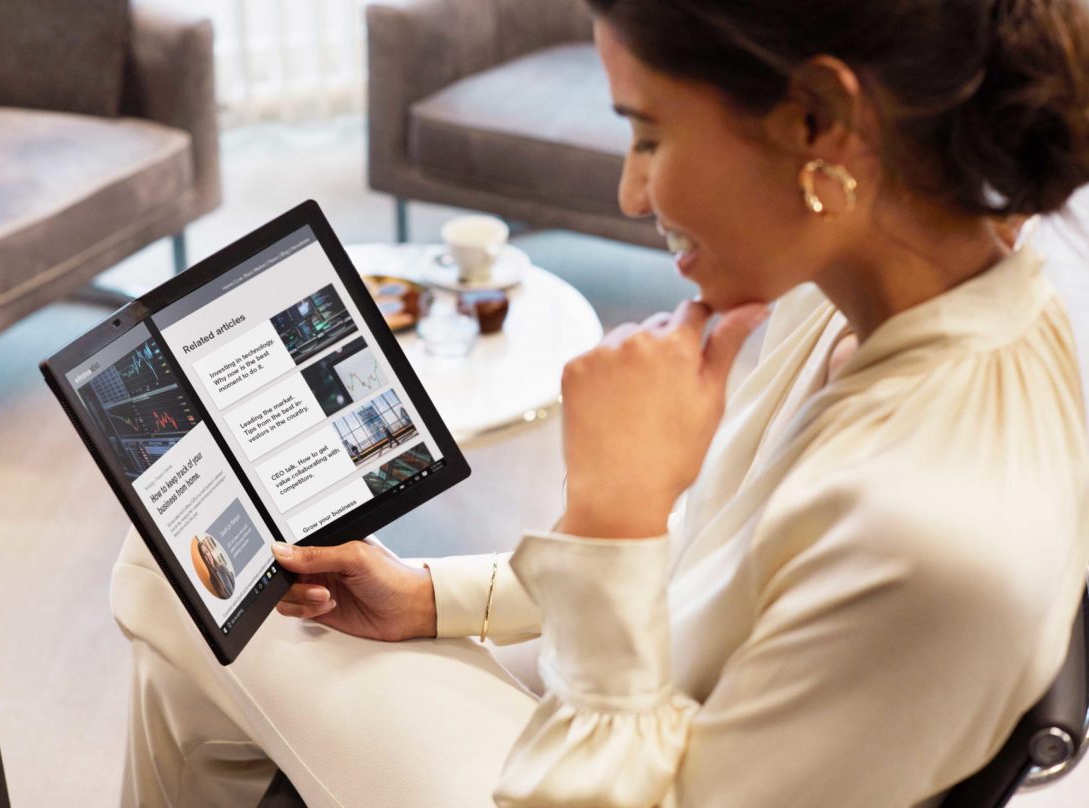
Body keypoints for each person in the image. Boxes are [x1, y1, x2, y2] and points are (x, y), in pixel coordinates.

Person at [110, 1, 1089, 806]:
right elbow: (706, 587)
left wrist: (614, 514)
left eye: (649, 133)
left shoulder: (930, 534)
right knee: (214, 589)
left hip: (613, 771)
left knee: (178, 578)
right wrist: (434, 596)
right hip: (632, 722)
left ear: (818, 123)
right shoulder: (859, 302)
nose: (631, 192)